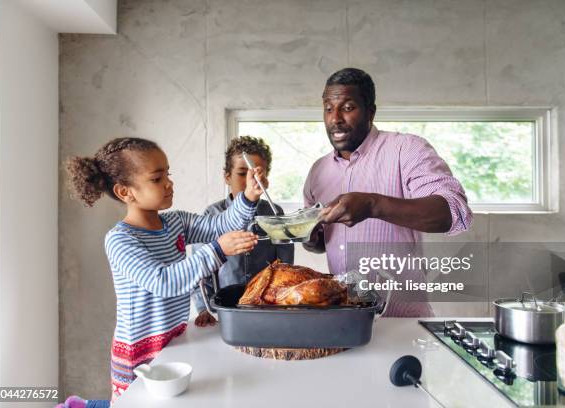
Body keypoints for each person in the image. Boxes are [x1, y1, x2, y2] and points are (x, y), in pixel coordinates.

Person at [65, 137, 266, 400]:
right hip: (138, 354)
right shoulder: (120, 239)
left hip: (173, 341)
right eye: (157, 179)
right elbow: (164, 282)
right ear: (125, 192)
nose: (169, 183)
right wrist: (217, 250)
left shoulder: (176, 222)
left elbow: (219, 225)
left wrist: (249, 196)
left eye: (167, 174)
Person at [303, 68, 473, 317]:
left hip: (402, 320)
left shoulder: (407, 149)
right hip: (344, 320)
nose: (335, 118)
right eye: (328, 108)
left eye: (348, 107)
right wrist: (310, 236)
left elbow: (455, 212)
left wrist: (372, 205)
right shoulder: (318, 171)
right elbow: (318, 244)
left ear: (370, 112)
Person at [192, 136, 294, 326]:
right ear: (227, 176)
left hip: (267, 307)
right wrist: (203, 308)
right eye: (242, 173)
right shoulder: (212, 214)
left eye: (256, 174)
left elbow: (284, 266)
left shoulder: (274, 213)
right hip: (227, 308)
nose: (250, 181)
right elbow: (200, 270)